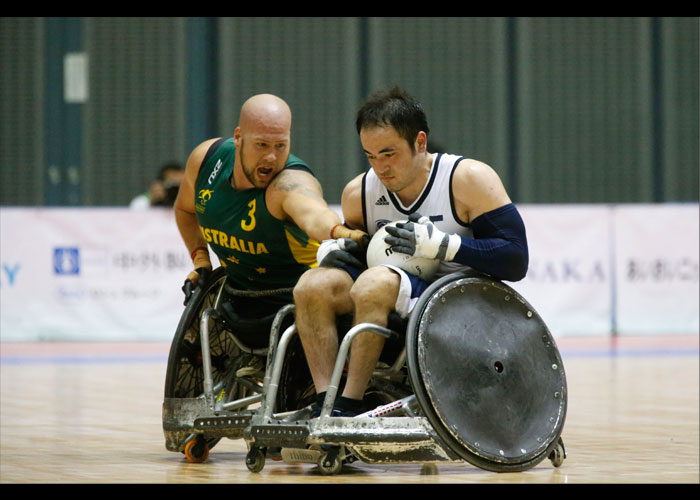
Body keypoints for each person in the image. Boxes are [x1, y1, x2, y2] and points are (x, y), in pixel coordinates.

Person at [293, 86, 529, 417]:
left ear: (420, 142)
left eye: (389, 154)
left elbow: (515, 258)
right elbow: (362, 256)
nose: (380, 168)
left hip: (451, 299)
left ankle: (349, 404)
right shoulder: (358, 193)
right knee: (311, 285)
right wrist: (341, 253)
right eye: (370, 156)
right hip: (389, 291)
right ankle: (325, 400)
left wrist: (444, 245)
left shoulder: (468, 179)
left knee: (375, 282)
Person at [174, 93, 365, 347]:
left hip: (296, 304)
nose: (272, 158)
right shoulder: (206, 161)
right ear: (239, 138)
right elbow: (185, 210)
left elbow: (314, 214)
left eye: (280, 146)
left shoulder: (288, 183)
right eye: (262, 145)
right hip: (237, 299)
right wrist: (200, 260)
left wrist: (342, 232)